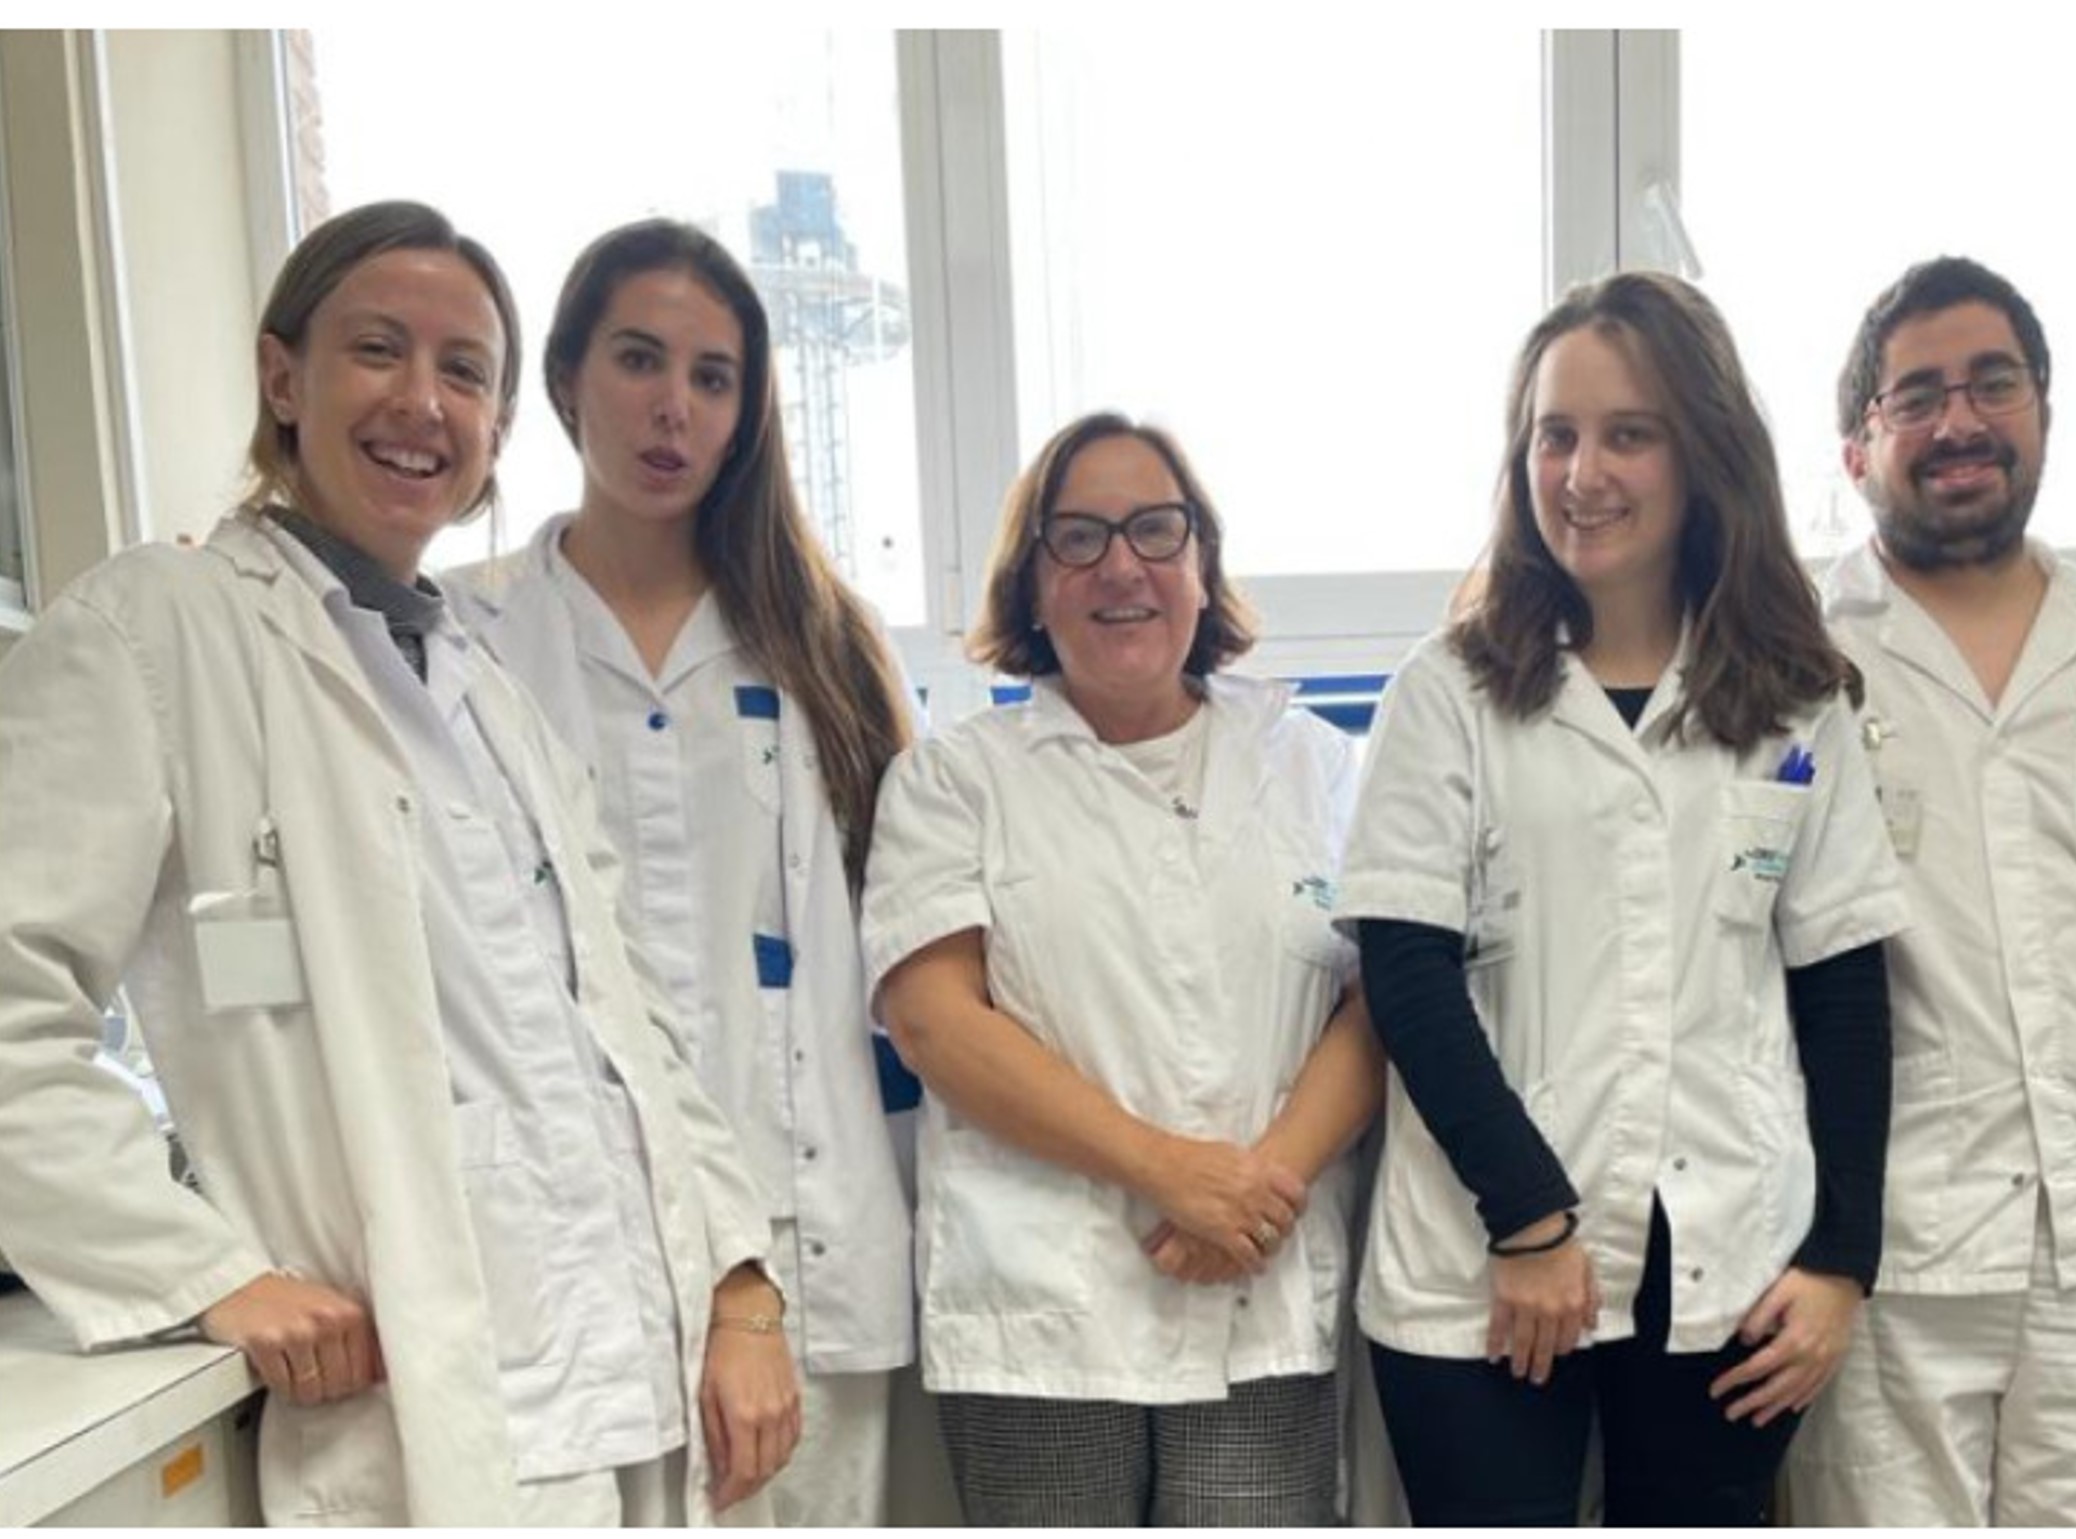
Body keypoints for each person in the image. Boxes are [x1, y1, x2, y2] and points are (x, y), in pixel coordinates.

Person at [0, 202, 797, 1524]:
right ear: (283, 376)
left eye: (464, 371)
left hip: (639, 1389)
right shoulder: (155, 630)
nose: (423, 402)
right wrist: (202, 1270)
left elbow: (636, 1035)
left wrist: (736, 1282)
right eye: (379, 349)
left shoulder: (492, 696)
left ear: (498, 423)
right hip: (429, 1409)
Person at [1335, 270, 1907, 1526]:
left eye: (1627, 434)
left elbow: (1843, 992)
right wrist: (1531, 1220)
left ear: (1704, 454)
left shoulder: (1797, 700)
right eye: (1556, 436)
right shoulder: (1449, 691)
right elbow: (1408, 974)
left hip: (1730, 1253)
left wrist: (1843, 1261)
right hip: (1483, 1255)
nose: (1582, 474)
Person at [442, 219, 917, 1525]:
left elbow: (903, 939)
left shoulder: (825, 642)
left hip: (808, 1234)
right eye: (639, 360)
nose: (675, 409)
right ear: (564, 378)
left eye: (714, 377)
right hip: (565, 1253)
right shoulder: (465, 638)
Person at [860, 412, 1384, 1525]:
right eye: (1079, 538)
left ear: (1202, 561)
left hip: (1258, 1290)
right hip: (1042, 1312)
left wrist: (1257, 1191)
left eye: (1155, 530)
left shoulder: (1316, 767)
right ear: (1030, 583)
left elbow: (1375, 1003)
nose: (1122, 567)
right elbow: (935, 1023)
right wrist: (1170, 1171)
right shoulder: (955, 781)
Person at [1795, 256, 2076, 1527]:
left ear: (2042, 409)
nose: (1961, 421)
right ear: (1858, 445)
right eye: (1918, 397)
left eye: (1994, 384)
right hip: (1891, 1255)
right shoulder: (1801, 655)